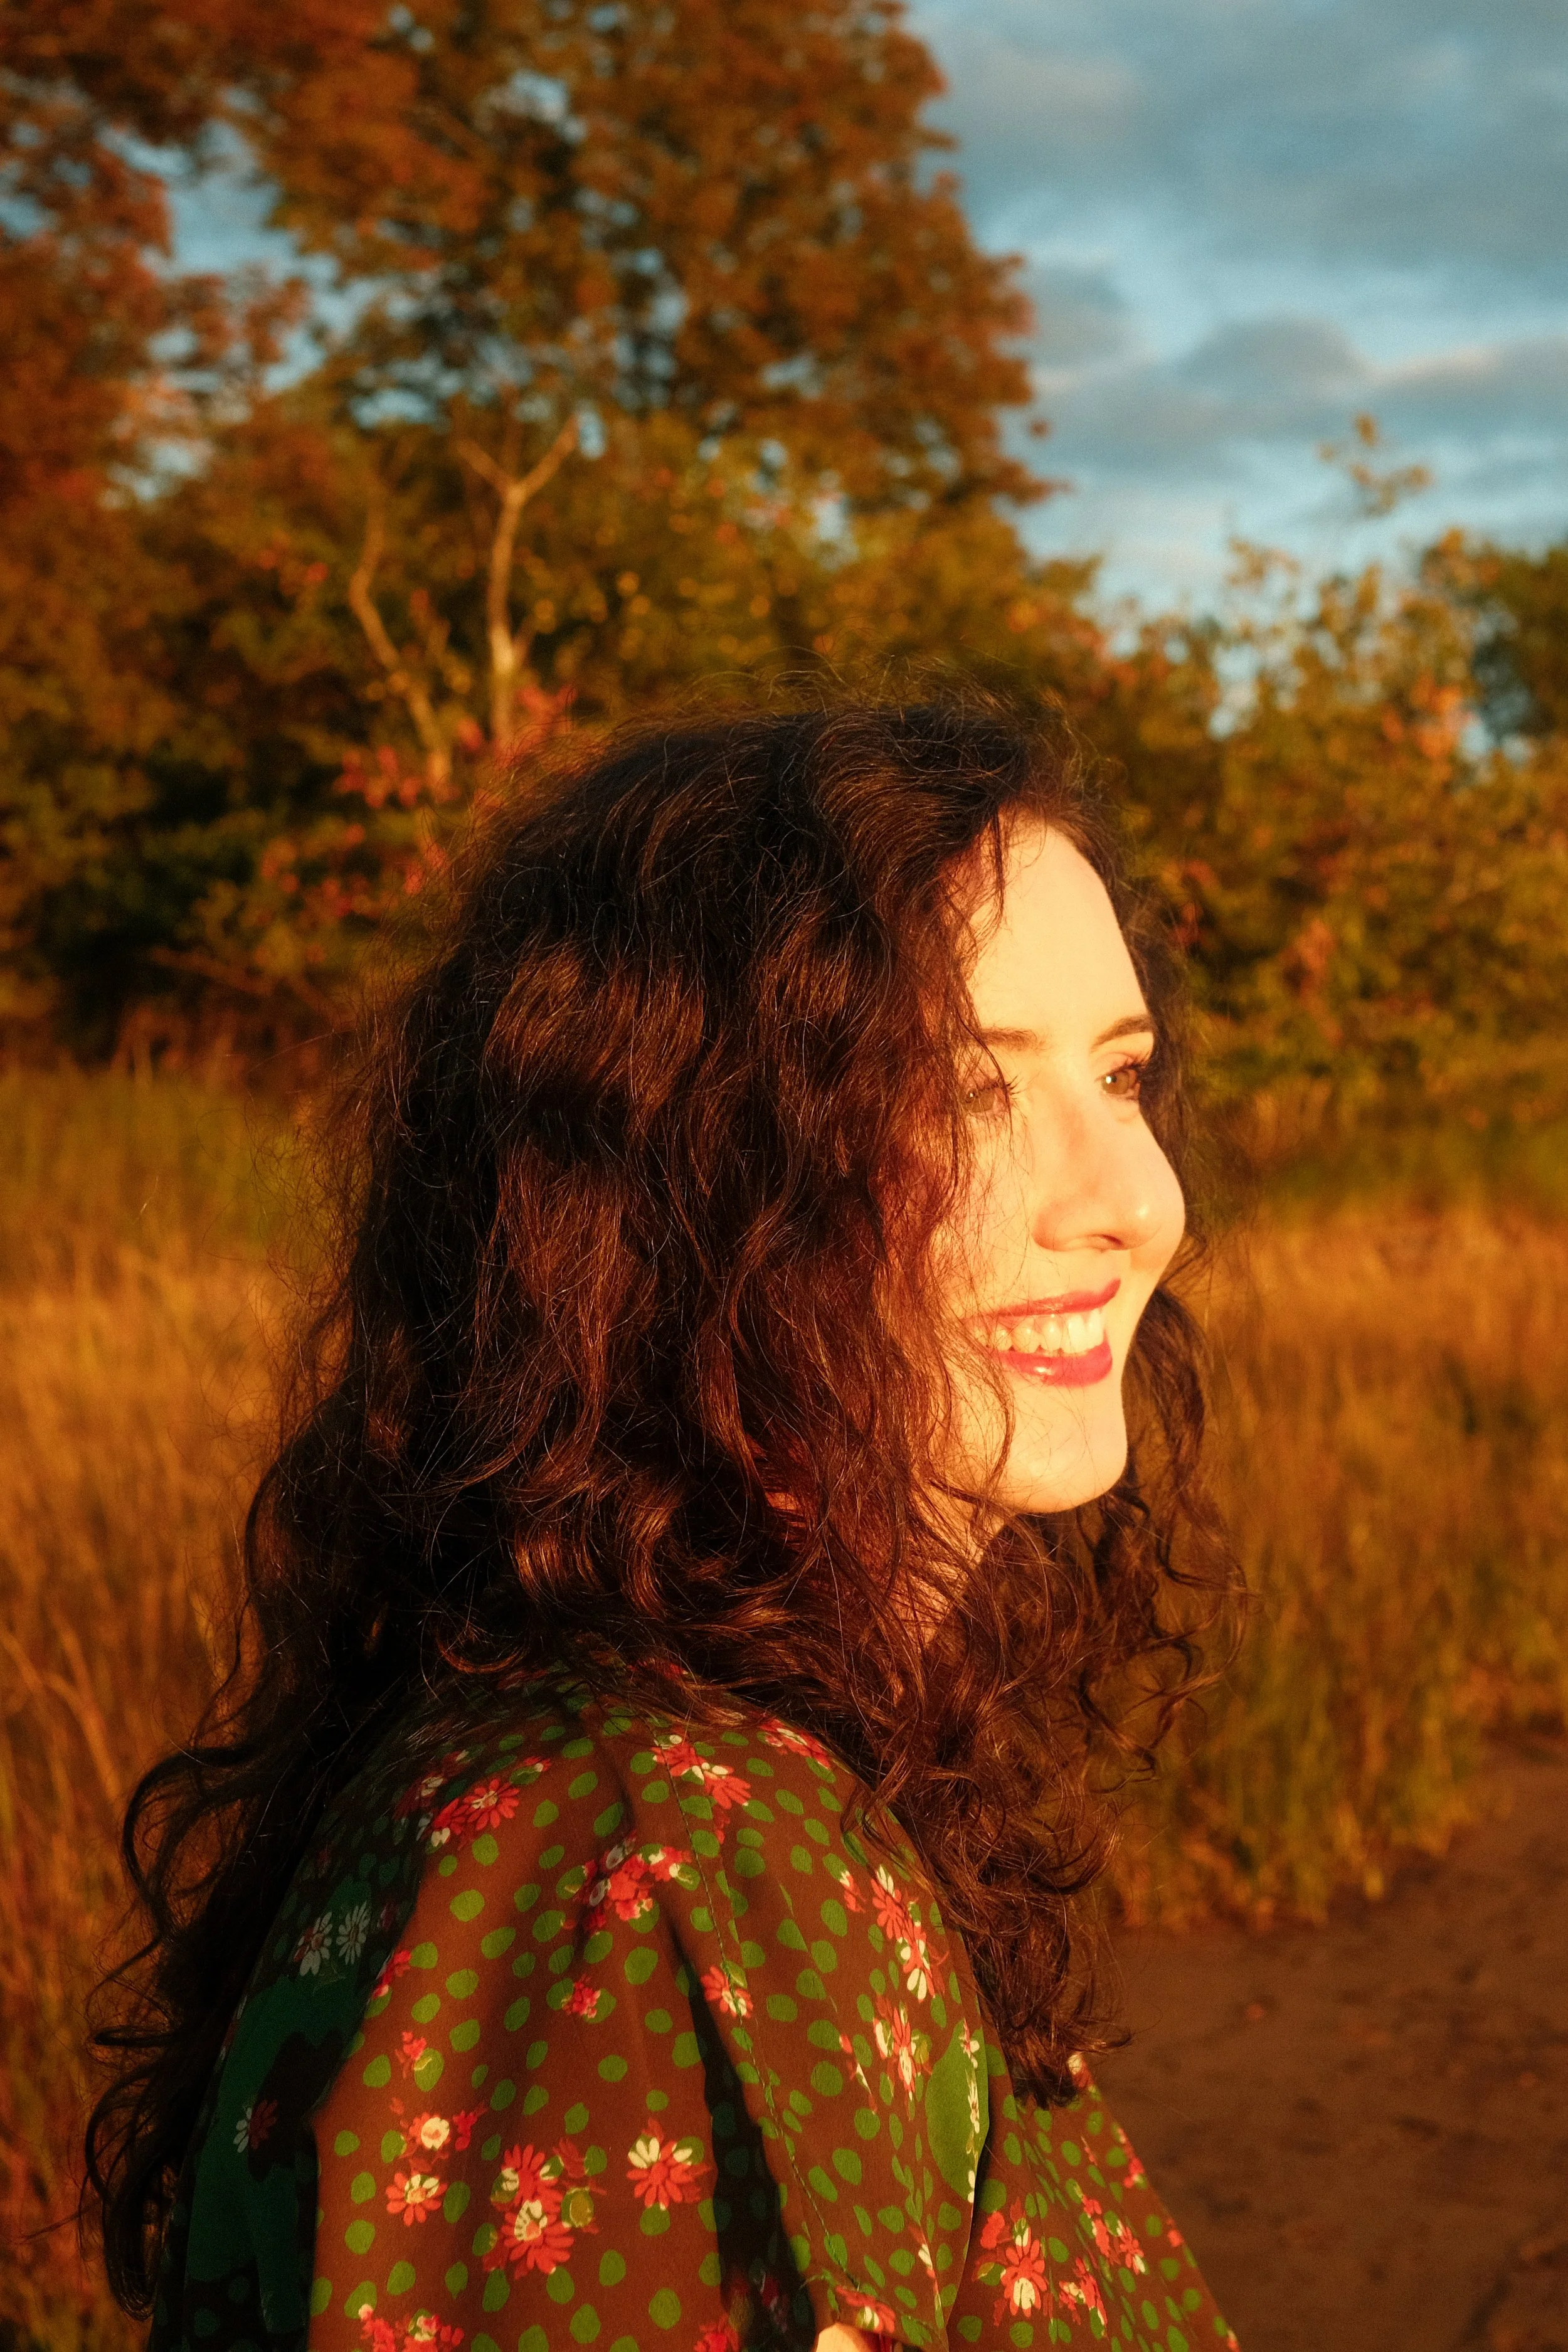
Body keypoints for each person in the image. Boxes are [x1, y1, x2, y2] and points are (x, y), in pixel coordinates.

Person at [88, 704, 1239, 2351]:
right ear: (669, 1193)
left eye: (1120, 1072)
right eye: (960, 1093)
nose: (1128, 1197)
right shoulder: (656, 1862)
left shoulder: (728, 1759)